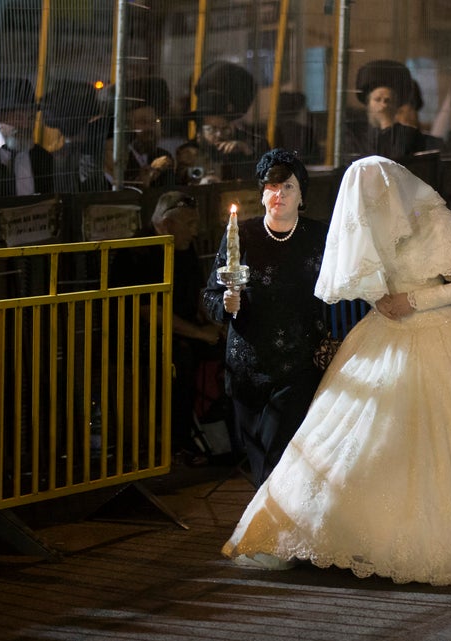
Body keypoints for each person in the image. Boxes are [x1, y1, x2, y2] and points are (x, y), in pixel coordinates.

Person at [222, 155, 451, 585]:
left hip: (443, 335)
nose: (367, 201)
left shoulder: (436, 221)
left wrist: (414, 301)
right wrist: (377, 299)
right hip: (385, 334)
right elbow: (359, 279)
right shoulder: (370, 230)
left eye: (373, 192)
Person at [202, 149, 328, 485]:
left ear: (302, 195)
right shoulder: (242, 235)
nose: (279, 195)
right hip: (248, 367)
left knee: (277, 454)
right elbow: (210, 295)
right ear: (261, 194)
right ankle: (267, 524)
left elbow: (341, 290)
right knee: (258, 459)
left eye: (288, 187)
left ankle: (277, 527)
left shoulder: (320, 237)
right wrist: (226, 306)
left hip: (299, 364)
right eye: (272, 188)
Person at [111, 191, 224, 466]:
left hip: (181, 328)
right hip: (139, 337)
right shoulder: (138, 250)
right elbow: (149, 312)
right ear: (167, 223)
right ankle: (175, 443)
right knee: (180, 360)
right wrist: (200, 333)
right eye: (190, 224)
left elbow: (197, 292)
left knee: (229, 350)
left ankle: (219, 436)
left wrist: (214, 325)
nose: (196, 231)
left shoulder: (183, 247)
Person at [0, 77, 54, 198]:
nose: (26, 126)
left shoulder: (43, 158)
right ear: (0, 118)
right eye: (18, 118)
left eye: (31, 118)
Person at [342, 59, 424, 161]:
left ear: (396, 105)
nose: (383, 105)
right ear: (368, 104)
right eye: (377, 99)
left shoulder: (408, 135)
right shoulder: (354, 135)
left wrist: (386, 123)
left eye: (388, 100)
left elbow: (397, 162)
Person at [122, 76, 176, 190]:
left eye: (155, 121)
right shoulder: (120, 159)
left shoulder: (163, 156)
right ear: (128, 126)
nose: (150, 128)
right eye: (142, 122)